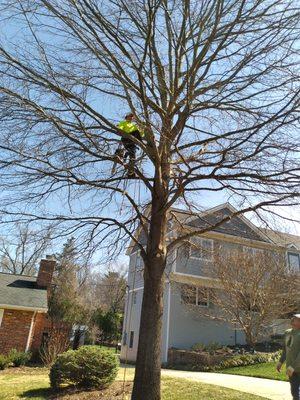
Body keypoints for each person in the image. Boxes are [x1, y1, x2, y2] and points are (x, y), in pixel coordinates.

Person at [277, 314, 300, 400]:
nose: (293, 319)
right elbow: (285, 349)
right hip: (291, 369)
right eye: (294, 317)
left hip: (295, 368)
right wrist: (280, 362)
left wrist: (292, 367)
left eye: (296, 318)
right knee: (294, 392)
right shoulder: (287, 332)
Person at [115, 113, 144, 177]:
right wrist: (118, 128)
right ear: (126, 117)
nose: (131, 118)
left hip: (133, 141)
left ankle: (131, 172)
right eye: (130, 116)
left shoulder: (134, 125)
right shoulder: (123, 122)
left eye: (132, 117)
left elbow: (141, 134)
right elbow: (120, 129)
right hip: (126, 138)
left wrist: (142, 128)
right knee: (136, 132)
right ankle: (121, 154)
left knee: (133, 155)